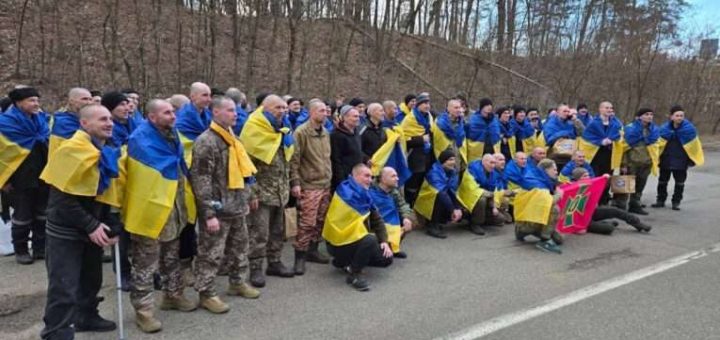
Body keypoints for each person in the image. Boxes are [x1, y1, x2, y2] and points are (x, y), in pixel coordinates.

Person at [40, 104, 121, 339]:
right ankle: (57, 332)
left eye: (110, 119)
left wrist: (111, 222)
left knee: (91, 280)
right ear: (84, 123)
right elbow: (62, 200)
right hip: (65, 230)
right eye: (102, 119)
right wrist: (91, 225)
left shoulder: (105, 151)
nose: (109, 123)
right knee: (64, 287)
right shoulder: (70, 150)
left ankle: (86, 316)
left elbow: (105, 193)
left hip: (92, 227)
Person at [124, 99, 197, 333]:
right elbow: (147, 174)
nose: (173, 116)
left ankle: (173, 295)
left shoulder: (172, 135)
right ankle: (144, 311)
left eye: (173, 112)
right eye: (167, 113)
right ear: (152, 116)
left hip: (173, 209)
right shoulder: (140, 139)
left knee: (171, 258)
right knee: (145, 265)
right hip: (150, 213)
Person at [190, 96, 260, 314]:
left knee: (240, 248)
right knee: (211, 254)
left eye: (236, 110)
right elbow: (201, 180)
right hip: (219, 209)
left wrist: (250, 194)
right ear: (216, 113)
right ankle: (206, 293)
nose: (235, 114)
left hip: (238, 205)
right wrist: (208, 213)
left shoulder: (232, 137)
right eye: (229, 110)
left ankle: (237, 282)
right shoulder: (206, 141)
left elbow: (244, 170)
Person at [240, 94, 296, 287]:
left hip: (280, 191)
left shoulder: (283, 130)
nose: (282, 111)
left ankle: (274, 261)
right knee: (259, 233)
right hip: (261, 193)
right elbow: (246, 167)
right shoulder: (253, 129)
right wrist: (252, 194)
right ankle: (255, 267)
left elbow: (288, 162)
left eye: (283, 108)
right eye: (277, 108)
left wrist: (292, 183)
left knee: (278, 231)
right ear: (264, 108)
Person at [323, 163, 393, 291]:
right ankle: (354, 274)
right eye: (366, 176)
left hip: (356, 239)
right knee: (370, 240)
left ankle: (346, 263)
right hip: (337, 244)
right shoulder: (344, 193)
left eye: (371, 177)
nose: (370, 180)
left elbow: (377, 220)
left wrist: (384, 241)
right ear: (354, 176)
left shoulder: (365, 196)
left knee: (386, 258)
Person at [0, 87, 49, 264]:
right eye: (31, 100)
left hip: (42, 174)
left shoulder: (42, 121)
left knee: (42, 213)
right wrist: (4, 180)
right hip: (19, 178)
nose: (36, 104)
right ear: (18, 103)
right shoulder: (4, 124)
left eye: (37, 100)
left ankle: (40, 248)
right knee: (22, 216)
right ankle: (20, 249)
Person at [289, 100, 333, 275]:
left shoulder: (326, 133)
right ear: (312, 112)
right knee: (307, 222)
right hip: (309, 184)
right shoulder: (301, 132)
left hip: (325, 183)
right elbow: (294, 160)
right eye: (321, 111)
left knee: (320, 220)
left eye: (326, 110)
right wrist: (295, 183)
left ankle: (312, 250)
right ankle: (299, 256)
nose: (325, 113)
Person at [100, 91, 135, 291]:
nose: (127, 107)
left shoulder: (133, 125)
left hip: (133, 185)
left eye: (128, 103)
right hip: (114, 188)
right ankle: (123, 273)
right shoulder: (109, 131)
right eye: (121, 104)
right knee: (119, 232)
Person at [652, 105, 704, 210]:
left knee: (680, 183)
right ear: (671, 117)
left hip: (681, 161)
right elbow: (656, 144)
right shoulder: (664, 129)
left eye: (681, 115)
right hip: (666, 160)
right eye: (677, 115)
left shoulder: (689, 129)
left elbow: (695, 146)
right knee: (662, 181)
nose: (679, 117)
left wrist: (691, 160)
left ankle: (676, 202)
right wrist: (656, 158)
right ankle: (660, 200)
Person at [571, 168, 652, 233]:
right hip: (582, 219)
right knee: (609, 228)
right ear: (578, 178)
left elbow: (602, 186)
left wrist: (605, 179)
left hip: (592, 212)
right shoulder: (572, 189)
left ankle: (638, 224)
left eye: (588, 175)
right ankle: (605, 224)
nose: (588, 177)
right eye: (584, 176)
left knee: (615, 210)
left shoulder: (590, 184)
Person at [615, 108, 659, 215]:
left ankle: (634, 205)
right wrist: (623, 164)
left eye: (651, 114)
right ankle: (619, 206)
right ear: (639, 116)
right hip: (631, 162)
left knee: (640, 185)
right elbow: (622, 148)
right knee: (624, 185)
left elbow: (656, 147)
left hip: (646, 162)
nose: (649, 116)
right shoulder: (630, 129)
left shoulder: (653, 130)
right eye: (646, 114)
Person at [514, 158, 563, 254]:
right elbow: (547, 202)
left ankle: (522, 232)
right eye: (554, 170)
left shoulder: (544, 179)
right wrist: (559, 195)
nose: (557, 172)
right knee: (554, 209)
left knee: (559, 239)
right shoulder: (537, 183)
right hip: (530, 219)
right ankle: (544, 240)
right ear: (546, 170)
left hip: (536, 217)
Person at [579, 101, 623, 205]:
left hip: (609, 155)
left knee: (607, 178)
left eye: (611, 108)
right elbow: (586, 137)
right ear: (600, 109)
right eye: (606, 108)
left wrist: (612, 139)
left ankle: (604, 201)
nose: (609, 110)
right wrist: (600, 141)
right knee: (596, 178)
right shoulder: (593, 123)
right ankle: (593, 202)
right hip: (596, 155)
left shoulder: (615, 123)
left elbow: (620, 134)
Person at [369, 167, 415, 258]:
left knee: (406, 221)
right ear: (383, 179)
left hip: (389, 221)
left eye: (397, 176)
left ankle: (394, 247)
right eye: (393, 176)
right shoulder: (370, 190)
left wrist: (406, 218)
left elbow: (403, 205)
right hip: (375, 223)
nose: (397, 179)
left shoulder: (394, 191)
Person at [400, 93, 433, 206]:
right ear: (418, 105)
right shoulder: (409, 119)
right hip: (414, 157)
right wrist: (420, 139)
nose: (427, 106)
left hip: (427, 155)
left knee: (423, 184)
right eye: (424, 103)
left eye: (428, 103)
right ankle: (409, 207)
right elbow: (404, 139)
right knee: (412, 185)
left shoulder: (429, 117)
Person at [331, 105, 365, 191]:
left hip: (357, 176)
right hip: (345, 179)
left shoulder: (356, 132)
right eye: (355, 116)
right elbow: (336, 160)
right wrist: (341, 181)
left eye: (358, 116)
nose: (358, 118)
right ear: (345, 118)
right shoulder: (336, 135)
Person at [48, 87, 93, 154]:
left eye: (90, 99)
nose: (89, 103)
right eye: (84, 99)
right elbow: (82, 144)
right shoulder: (62, 122)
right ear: (71, 101)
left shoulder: (82, 119)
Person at [542, 103, 585, 171]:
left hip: (570, 156)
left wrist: (576, 120)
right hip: (555, 158)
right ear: (557, 112)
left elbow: (582, 133)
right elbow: (549, 139)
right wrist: (564, 133)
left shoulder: (570, 122)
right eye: (564, 111)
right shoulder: (550, 123)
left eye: (568, 111)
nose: (567, 113)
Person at [432, 99, 466, 171]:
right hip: (444, 159)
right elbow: (437, 142)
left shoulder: (461, 123)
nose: (459, 110)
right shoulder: (440, 123)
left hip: (458, 158)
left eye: (459, 107)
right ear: (448, 109)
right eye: (456, 108)